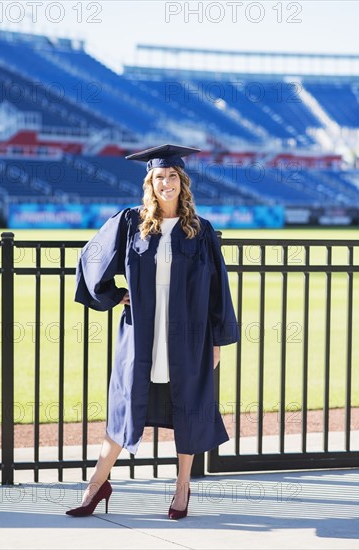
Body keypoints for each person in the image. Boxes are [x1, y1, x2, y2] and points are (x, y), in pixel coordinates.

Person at [66, 144, 239, 520]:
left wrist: (219, 341)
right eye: (159, 177)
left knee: (189, 409)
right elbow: (91, 258)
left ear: (182, 182)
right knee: (124, 405)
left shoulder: (200, 231)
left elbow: (217, 289)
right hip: (142, 332)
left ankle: (182, 489)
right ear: (150, 182)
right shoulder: (131, 223)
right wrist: (114, 294)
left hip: (189, 335)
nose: (166, 183)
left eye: (172, 176)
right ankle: (96, 486)